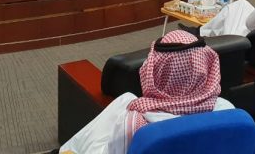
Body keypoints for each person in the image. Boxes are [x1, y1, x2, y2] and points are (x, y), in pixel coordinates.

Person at [58, 30, 234, 154]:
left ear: (156, 70)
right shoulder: (228, 111)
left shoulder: (135, 125)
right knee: (127, 99)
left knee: (125, 101)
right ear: (204, 67)